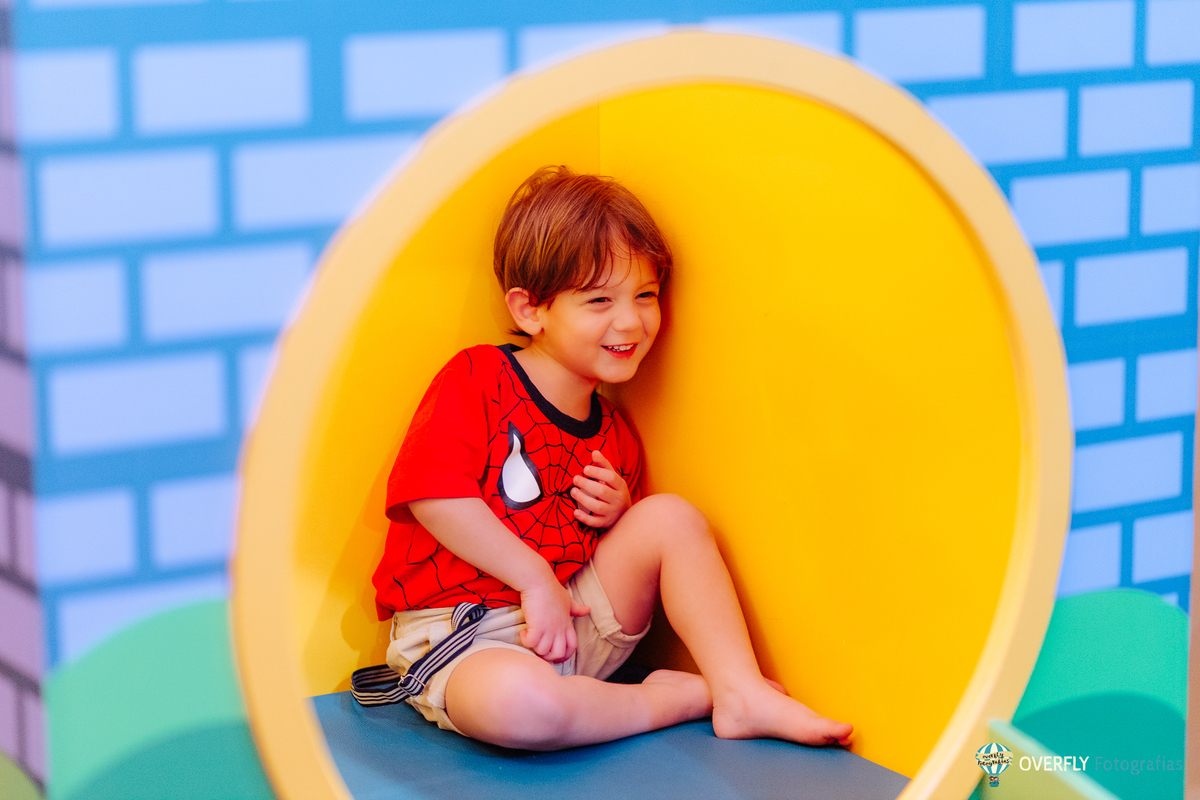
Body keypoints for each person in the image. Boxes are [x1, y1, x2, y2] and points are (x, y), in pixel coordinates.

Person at [371, 165, 853, 751]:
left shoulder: (616, 434)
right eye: (600, 300)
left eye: (645, 295)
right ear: (531, 310)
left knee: (670, 516)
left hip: (575, 628)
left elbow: (623, 560)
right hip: (469, 639)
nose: (631, 321)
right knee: (522, 706)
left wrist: (623, 513)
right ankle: (678, 698)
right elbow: (432, 495)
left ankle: (739, 688)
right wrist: (535, 580)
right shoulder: (477, 377)